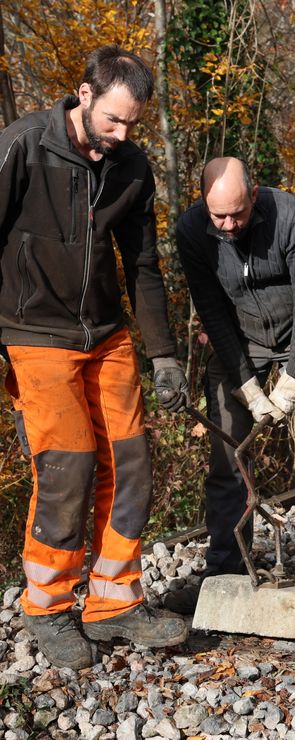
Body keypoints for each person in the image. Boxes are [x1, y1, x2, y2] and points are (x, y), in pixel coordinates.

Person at [0, 46, 191, 670]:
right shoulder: (23, 146)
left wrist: (163, 354)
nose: (122, 133)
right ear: (84, 95)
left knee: (131, 461)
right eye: (113, 119)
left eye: (133, 123)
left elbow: (142, 265)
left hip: (106, 334)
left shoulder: (130, 167)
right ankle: (47, 605)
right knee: (68, 466)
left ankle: (114, 602)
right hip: (33, 330)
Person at [169, 157, 295, 613]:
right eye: (219, 216)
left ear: (254, 196)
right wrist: (249, 389)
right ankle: (226, 566)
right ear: (204, 204)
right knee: (226, 455)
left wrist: (292, 381)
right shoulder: (191, 232)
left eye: (237, 213)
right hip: (239, 342)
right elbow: (212, 312)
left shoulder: (288, 215)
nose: (229, 224)